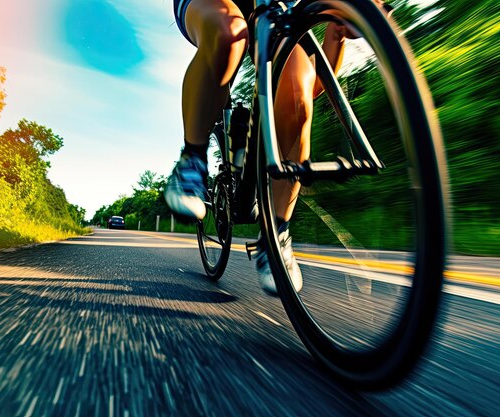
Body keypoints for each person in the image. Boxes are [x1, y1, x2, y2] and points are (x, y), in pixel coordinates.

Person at [165, 0, 391, 295]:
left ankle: (276, 235)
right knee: (229, 34)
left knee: (297, 94)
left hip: (274, 6)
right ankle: (191, 160)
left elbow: (310, 91)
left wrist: (336, 33)